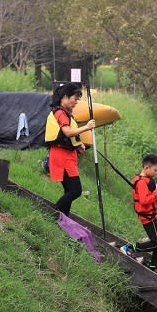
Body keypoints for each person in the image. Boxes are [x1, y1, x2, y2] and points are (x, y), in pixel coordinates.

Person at [46, 82, 95, 215]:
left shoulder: (66, 114)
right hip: (62, 157)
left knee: (69, 190)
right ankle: (52, 213)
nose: (76, 102)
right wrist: (86, 127)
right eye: (75, 98)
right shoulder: (61, 113)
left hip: (67, 155)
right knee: (75, 191)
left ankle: (63, 219)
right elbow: (67, 132)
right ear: (66, 97)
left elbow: (68, 137)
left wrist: (78, 145)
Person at [120, 154, 157, 271]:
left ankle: (153, 267)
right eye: (155, 170)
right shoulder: (141, 182)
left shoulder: (148, 180)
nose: (156, 173)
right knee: (156, 242)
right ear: (146, 168)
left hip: (155, 214)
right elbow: (144, 200)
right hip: (148, 217)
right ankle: (130, 247)